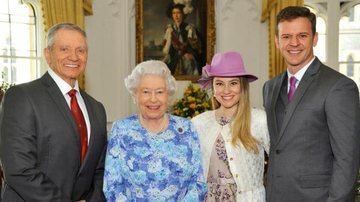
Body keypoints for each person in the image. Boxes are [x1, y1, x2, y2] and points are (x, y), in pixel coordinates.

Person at [0, 23, 107, 202]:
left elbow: (99, 170)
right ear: (48, 54)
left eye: (81, 50)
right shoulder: (21, 97)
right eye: (64, 49)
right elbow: (19, 170)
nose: (74, 56)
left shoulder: (97, 108)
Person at [263, 6, 360, 202]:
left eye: (302, 35)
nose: (294, 43)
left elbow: (347, 159)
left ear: (314, 38)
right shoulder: (269, 87)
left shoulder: (339, 86)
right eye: (287, 36)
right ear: (276, 41)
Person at [103, 60, 207, 201]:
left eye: (159, 92)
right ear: (135, 95)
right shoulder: (121, 130)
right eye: (146, 92)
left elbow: (198, 183)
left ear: (168, 95)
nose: (153, 99)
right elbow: (112, 186)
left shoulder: (186, 129)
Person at [192, 51, 270, 201]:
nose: (226, 90)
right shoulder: (198, 123)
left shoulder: (259, 120)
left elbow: (282, 162)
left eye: (233, 83)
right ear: (213, 88)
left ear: (243, 87)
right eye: (219, 83)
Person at [162, 3, 204, 76]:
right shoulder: (169, 30)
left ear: (183, 14)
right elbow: (167, 49)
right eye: (174, 13)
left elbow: (197, 48)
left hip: (187, 59)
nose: (176, 16)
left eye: (178, 13)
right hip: (174, 60)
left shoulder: (190, 28)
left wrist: (192, 54)